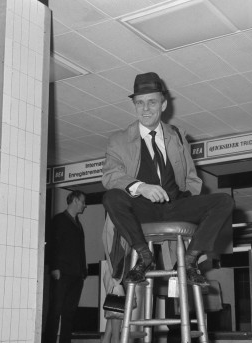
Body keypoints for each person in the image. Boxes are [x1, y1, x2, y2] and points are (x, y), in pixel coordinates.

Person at [101, 71, 235, 290]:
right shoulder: (118, 140)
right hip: (141, 208)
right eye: (140, 103)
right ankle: (144, 256)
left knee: (224, 201)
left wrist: (188, 201)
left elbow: (192, 178)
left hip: (174, 206)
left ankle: (191, 261)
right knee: (111, 197)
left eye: (151, 102)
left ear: (163, 105)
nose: (145, 109)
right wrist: (141, 187)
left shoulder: (178, 136)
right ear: (134, 106)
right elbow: (110, 175)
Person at [43, 190, 88, 343]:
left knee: (70, 310)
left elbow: (79, 249)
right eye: (83, 201)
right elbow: (53, 245)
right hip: (61, 272)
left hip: (76, 274)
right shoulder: (59, 220)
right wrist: (54, 267)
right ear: (75, 200)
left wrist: (83, 270)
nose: (84, 205)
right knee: (55, 309)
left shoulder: (77, 222)